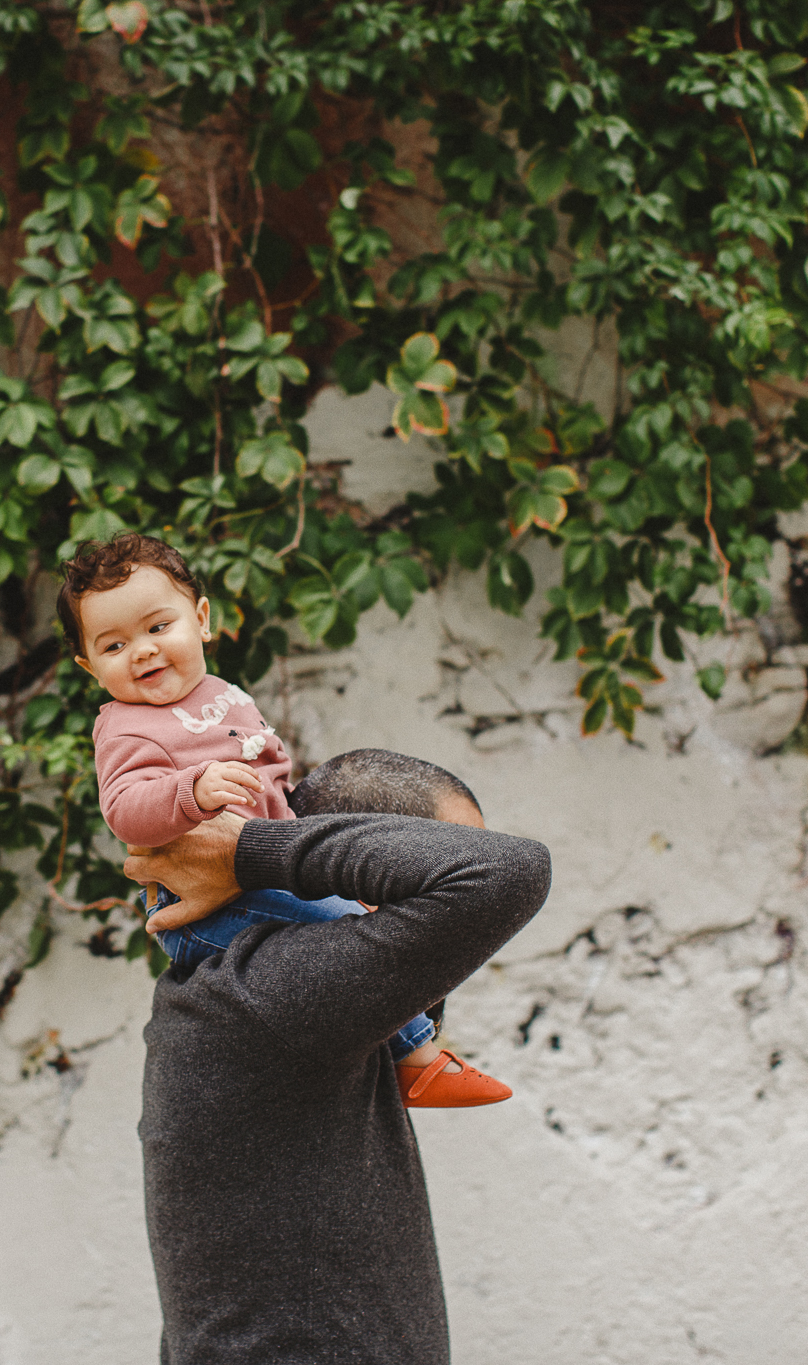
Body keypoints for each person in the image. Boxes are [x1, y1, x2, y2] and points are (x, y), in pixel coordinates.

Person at [127, 749, 552, 1364]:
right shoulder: (274, 987)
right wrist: (250, 852)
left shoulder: (288, 993)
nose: (463, 932)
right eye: (421, 865)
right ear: (366, 874)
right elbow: (510, 871)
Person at [59, 533, 509, 1107]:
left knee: (351, 925)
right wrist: (190, 790)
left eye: (156, 627)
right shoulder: (124, 727)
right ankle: (416, 1058)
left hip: (259, 874)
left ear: (200, 619)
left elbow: (271, 782)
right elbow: (125, 810)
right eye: (114, 645)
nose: (142, 651)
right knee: (348, 932)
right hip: (205, 905)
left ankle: (403, 1049)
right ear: (88, 665)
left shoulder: (219, 694)